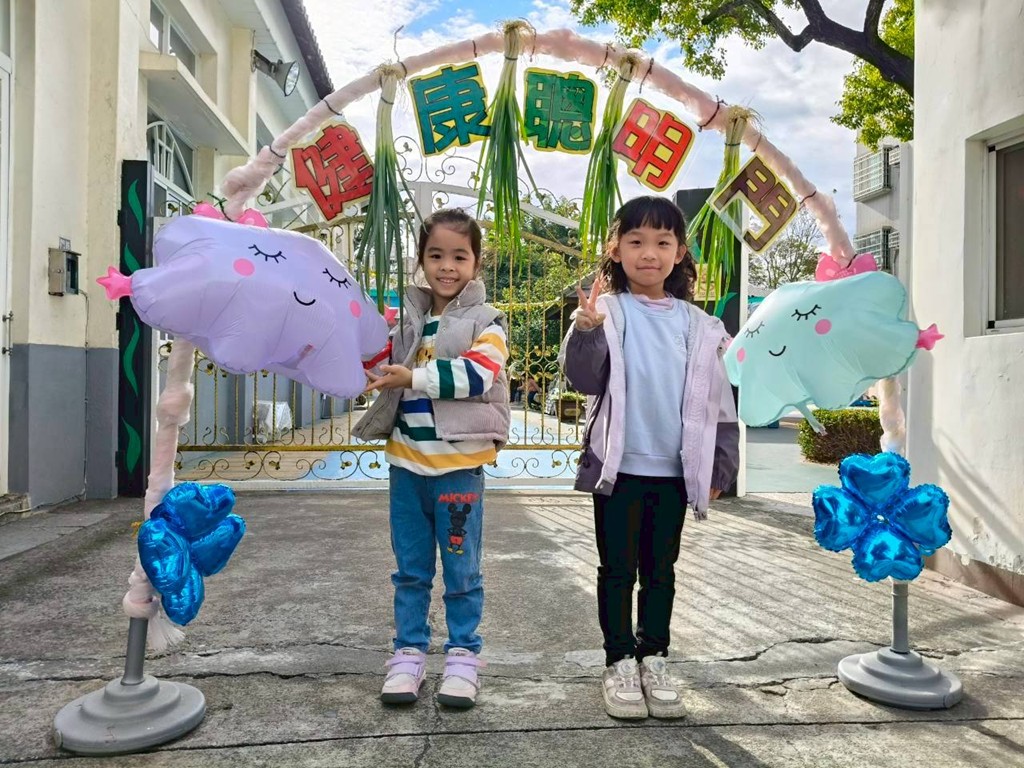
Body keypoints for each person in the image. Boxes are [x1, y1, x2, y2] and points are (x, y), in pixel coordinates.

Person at [560, 195, 739, 720]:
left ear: (680, 252)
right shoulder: (606, 312)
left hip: (673, 473)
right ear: (615, 249)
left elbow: (719, 401)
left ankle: (654, 658)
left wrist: (720, 463)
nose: (649, 253)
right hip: (619, 471)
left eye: (663, 242)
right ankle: (619, 661)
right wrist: (586, 330)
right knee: (617, 570)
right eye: (636, 241)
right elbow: (584, 379)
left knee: (661, 570)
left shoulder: (699, 325)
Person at [352, 208, 510, 709]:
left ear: (476, 263)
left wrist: (414, 377)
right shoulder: (407, 321)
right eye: (436, 255)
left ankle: (462, 656)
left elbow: (477, 375)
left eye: (459, 256)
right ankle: (408, 654)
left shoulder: (487, 322)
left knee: (462, 572)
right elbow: (376, 364)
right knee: (410, 571)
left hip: (458, 473)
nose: (447, 266)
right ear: (421, 260)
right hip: (407, 469)